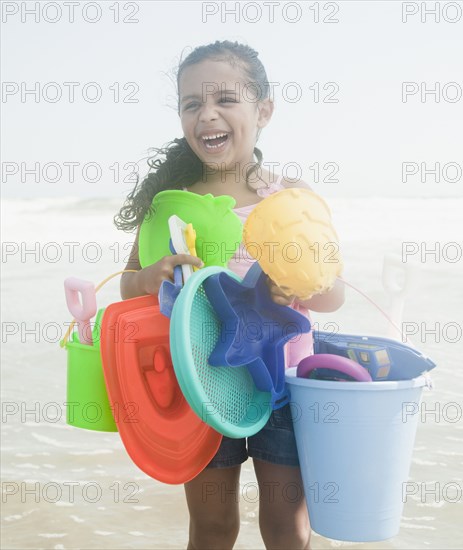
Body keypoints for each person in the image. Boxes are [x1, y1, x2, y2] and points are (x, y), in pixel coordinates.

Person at [114, 40, 344, 550]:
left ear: (263, 109)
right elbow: (126, 288)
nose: (207, 114)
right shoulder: (170, 203)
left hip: (283, 384)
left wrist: (301, 284)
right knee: (213, 528)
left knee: (287, 529)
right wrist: (150, 278)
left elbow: (333, 296)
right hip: (202, 385)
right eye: (191, 103)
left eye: (225, 99)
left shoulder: (289, 196)